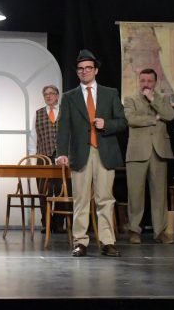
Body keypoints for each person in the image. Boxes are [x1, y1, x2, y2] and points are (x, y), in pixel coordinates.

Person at [55, 49, 127, 257]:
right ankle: (80, 241)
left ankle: (107, 241)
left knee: (105, 198)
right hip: (80, 153)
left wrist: (107, 124)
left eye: (88, 68)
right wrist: (61, 152)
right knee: (81, 199)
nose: (84, 71)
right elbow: (63, 127)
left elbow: (122, 122)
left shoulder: (110, 93)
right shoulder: (69, 97)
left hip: (104, 151)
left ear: (96, 70)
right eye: (80, 69)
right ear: (77, 72)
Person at [124, 68, 174, 244]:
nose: (146, 84)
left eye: (149, 81)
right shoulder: (130, 99)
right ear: (139, 81)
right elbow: (131, 119)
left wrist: (153, 100)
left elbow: (170, 115)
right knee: (135, 193)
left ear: (155, 82)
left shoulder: (162, 99)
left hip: (159, 150)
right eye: (143, 81)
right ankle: (134, 230)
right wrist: (154, 119)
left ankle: (160, 231)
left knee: (159, 193)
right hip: (137, 151)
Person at [28, 84, 63, 233]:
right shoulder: (39, 113)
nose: (48, 96)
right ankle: (46, 223)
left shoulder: (65, 111)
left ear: (57, 95)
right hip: (43, 157)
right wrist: (33, 159)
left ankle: (59, 224)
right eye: (45, 94)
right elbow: (33, 137)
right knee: (44, 192)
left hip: (62, 156)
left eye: (51, 93)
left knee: (62, 191)